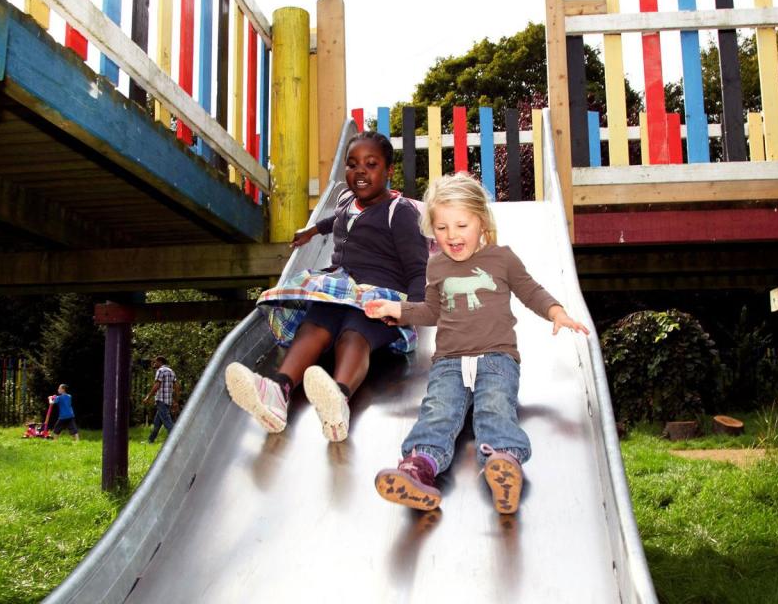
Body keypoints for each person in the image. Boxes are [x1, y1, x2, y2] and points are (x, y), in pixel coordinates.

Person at [365, 173, 589, 514]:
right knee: (438, 410)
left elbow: (530, 290)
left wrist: (555, 311)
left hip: (497, 359)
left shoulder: (502, 259)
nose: (452, 236)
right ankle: (418, 467)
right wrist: (397, 309)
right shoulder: (436, 266)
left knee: (495, 407)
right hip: (449, 362)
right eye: (442, 228)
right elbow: (430, 311)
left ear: (481, 221)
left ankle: (503, 462)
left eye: (461, 225)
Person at [225, 131, 429, 442]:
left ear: (389, 171)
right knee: (315, 323)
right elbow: (338, 218)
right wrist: (312, 230)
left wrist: (410, 311)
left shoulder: (398, 213)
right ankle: (277, 392)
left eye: (370, 164)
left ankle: (338, 398)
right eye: (352, 164)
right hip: (340, 287)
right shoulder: (348, 199)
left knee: (355, 331)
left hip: (379, 297)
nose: (359, 172)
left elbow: (417, 268)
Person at [143, 356, 182, 443]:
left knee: (168, 423)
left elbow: (157, 385)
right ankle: (150, 440)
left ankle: (177, 441)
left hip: (161, 400)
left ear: (160, 362)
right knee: (157, 423)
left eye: (155, 362)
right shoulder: (171, 371)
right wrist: (175, 401)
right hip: (168, 401)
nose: (154, 364)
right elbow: (177, 387)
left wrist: (148, 397)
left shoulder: (160, 371)